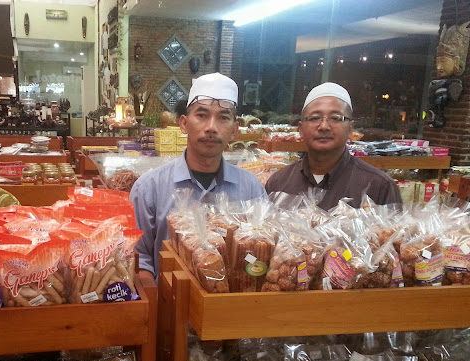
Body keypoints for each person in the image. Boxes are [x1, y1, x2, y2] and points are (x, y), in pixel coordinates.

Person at [131, 72, 267, 281]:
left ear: (235, 130)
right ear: (184, 124)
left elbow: (260, 255)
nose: (211, 127)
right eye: (202, 115)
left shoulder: (251, 189)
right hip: (168, 299)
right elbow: (140, 260)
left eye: (223, 117)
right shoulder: (149, 188)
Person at [265, 82, 401, 210]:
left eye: (336, 118)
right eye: (314, 118)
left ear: (350, 128)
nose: (324, 126)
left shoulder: (379, 187)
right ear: (300, 129)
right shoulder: (278, 183)